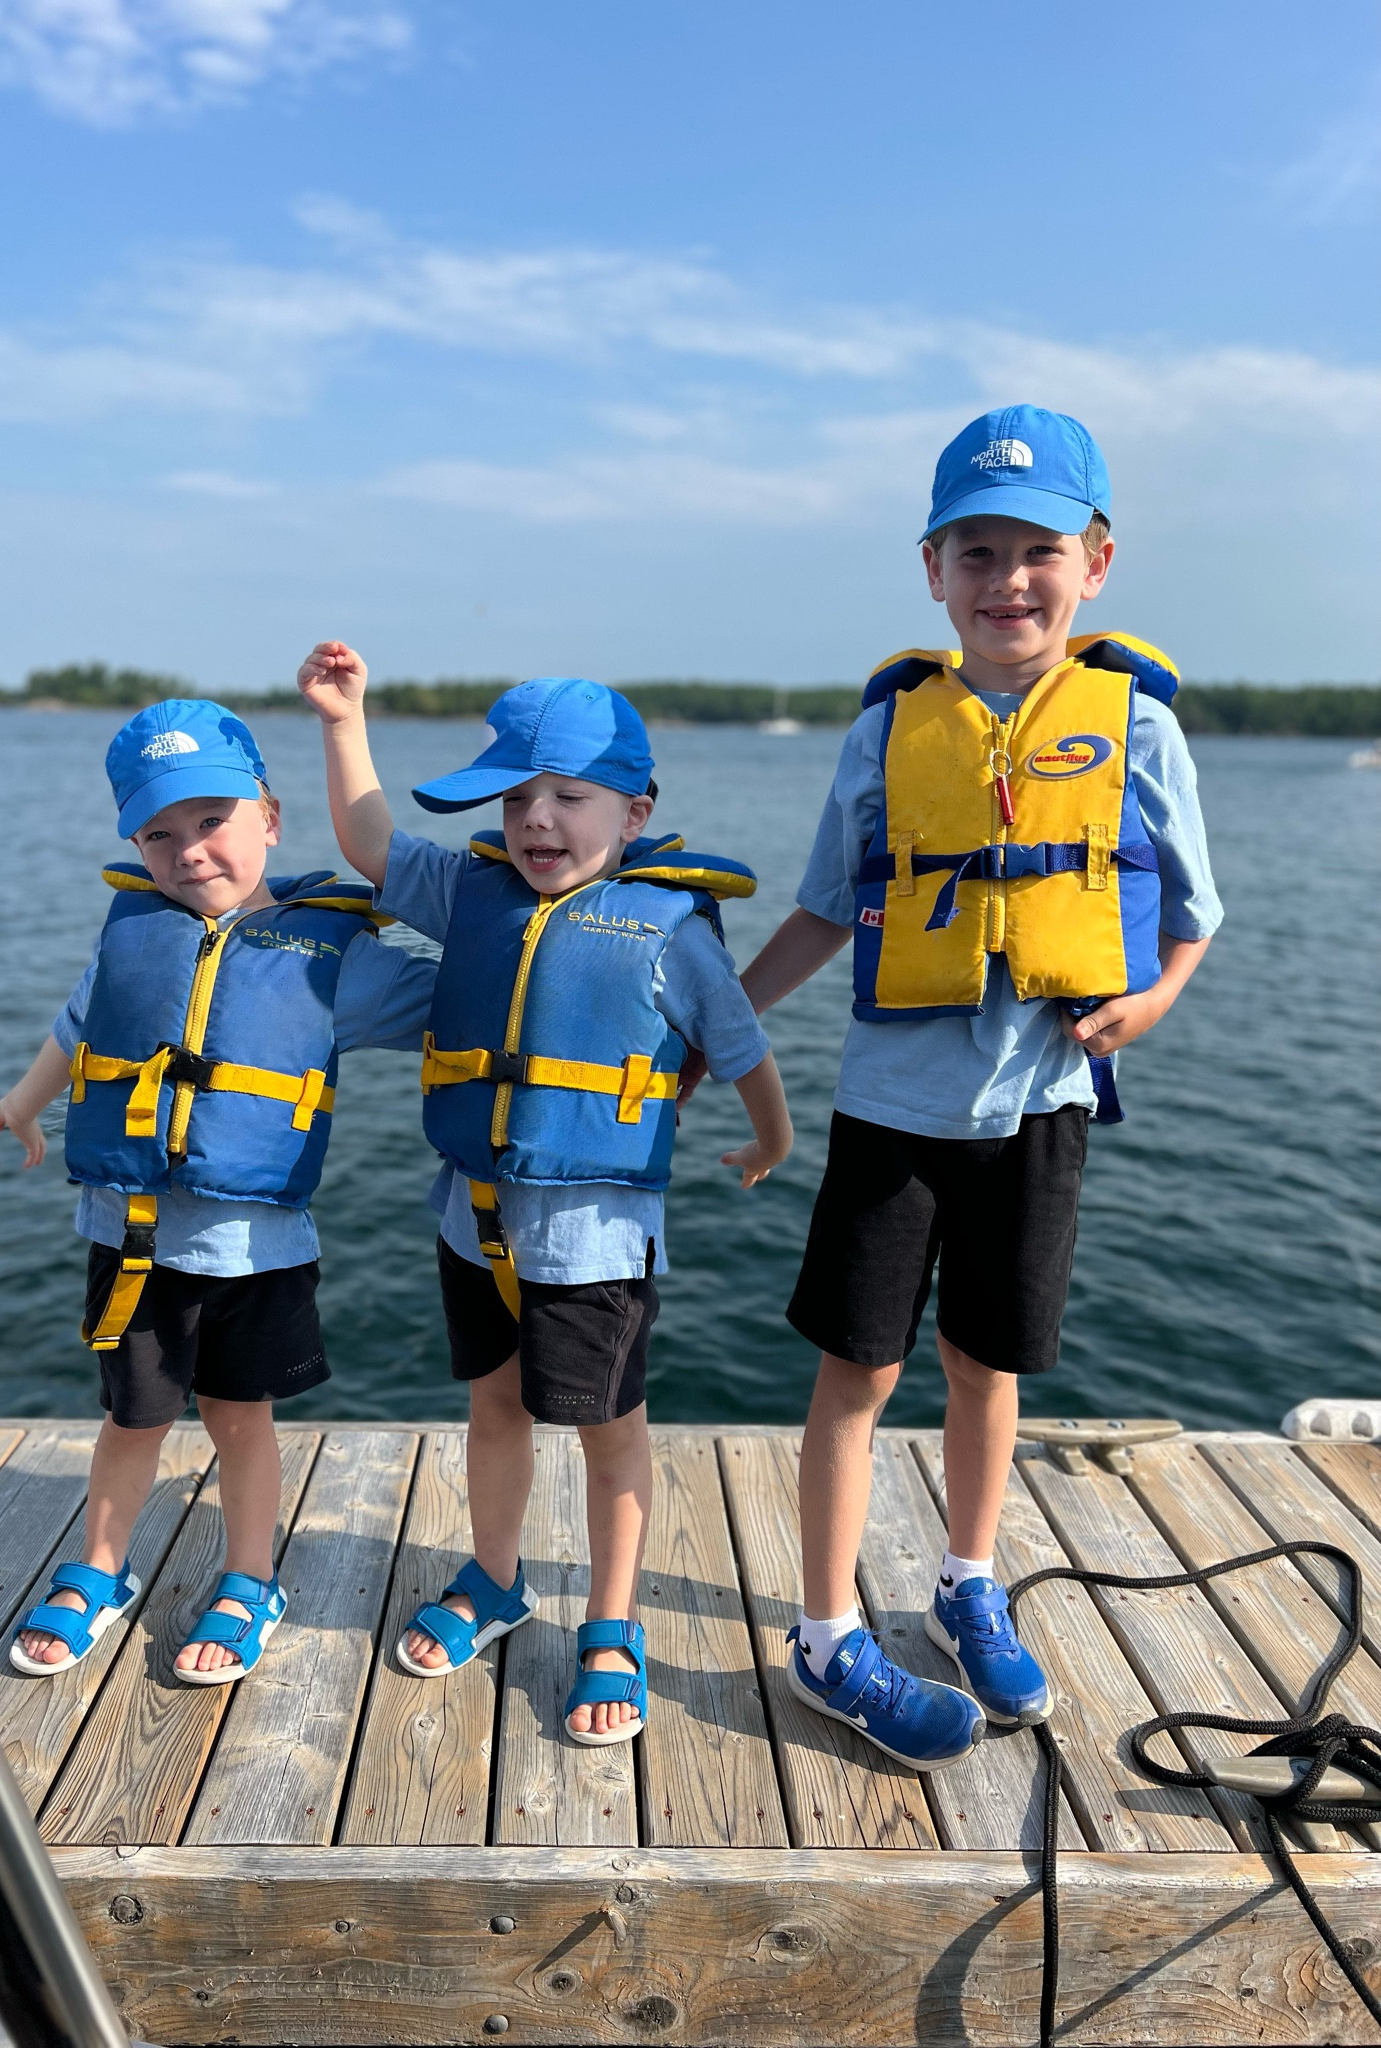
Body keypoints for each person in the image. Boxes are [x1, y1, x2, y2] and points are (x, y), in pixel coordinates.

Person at [731, 405, 1222, 1768]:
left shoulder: (1139, 731)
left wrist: (1158, 996)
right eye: (980, 551)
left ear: (1098, 562)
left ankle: (964, 1579)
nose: (1010, 579)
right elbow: (827, 907)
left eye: (1039, 552)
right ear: (934, 568)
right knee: (857, 1366)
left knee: (987, 1361)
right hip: (891, 1109)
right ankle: (829, 1630)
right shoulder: (891, 729)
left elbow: (1193, 910)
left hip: (1044, 1109)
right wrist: (717, 1024)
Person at [298, 649, 793, 1745]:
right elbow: (371, 839)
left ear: (636, 806)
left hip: (596, 1238)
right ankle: (494, 1575)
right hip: (468, 1221)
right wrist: (345, 718)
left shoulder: (664, 924)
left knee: (611, 1435)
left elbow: (743, 1045)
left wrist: (772, 1136)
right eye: (517, 796)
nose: (538, 820)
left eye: (569, 796)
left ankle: (613, 1621)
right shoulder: (466, 886)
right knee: (493, 1406)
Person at [0, 699, 436, 1684]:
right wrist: (24, 1103)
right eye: (159, 830)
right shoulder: (132, 939)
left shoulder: (335, 960)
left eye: (212, 820)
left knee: (241, 1418)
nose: (189, 850)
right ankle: (101, 1565)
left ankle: (249, 1576)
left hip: (256, 1254)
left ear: (269, 819)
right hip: (132, 1235)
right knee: (132, 1417)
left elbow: (460, 998)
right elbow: (76, 1031)